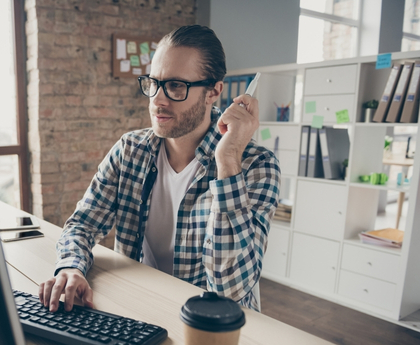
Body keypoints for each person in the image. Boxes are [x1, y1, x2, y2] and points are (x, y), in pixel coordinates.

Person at [39, 25, 280, 313]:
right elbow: (82, 225)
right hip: (140, 306)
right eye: (153, 83)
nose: (158, 99)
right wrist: (71, 267)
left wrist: (227, 160)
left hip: (210, 324)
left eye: (176, 86)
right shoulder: (131, 150)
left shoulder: (256, 165)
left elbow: (230, 290)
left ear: (213, 91)